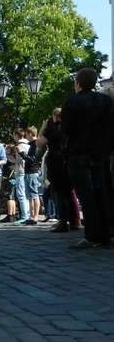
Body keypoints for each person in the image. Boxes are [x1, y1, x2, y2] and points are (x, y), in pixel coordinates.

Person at [61, 68, 114, 249]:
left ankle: (91, 236)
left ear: (78, 83)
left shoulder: (73, 101)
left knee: (87, 195)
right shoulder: (106, 101)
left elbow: (65, 129)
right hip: (99, 154)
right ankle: (105, 236)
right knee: (100, 194)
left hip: (78, 153)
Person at [18, 126, 41, 225]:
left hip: (32, 172)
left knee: (34, 195)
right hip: (29, 172)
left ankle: (34, 217)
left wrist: (22, 153)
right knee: (30, 195)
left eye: (26, 134)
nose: (26, 136)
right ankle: (31, 216)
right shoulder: (33, 145)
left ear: (30, 134)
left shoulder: (36, 145)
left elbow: (33, 160)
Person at [11, 129, 30, 224]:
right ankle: (28, 214)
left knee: (21, 195)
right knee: (27, 195)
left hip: (21, 172)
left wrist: (12, 160)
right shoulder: (29, 144)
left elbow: (22, 160)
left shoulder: (20, 145)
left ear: (16, 135)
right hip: (26, 172)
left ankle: (25, 215)